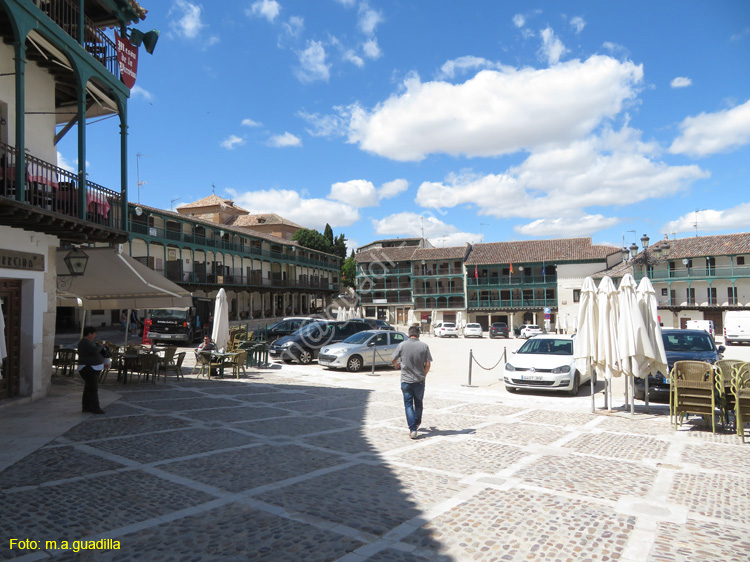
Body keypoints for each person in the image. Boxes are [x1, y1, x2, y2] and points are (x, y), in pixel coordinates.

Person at [392, 325, 432, 439]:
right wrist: (424, 375)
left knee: (408, 405)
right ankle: (417, 421)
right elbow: (428, 364)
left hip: (406, 380)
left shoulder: (402, 345)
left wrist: (397, 365)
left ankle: (413, 429)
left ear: (409, 334)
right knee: (418, 403)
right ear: (418, 334)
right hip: (419, 380)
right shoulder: (424, 346)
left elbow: (393, 359)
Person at [77, 326, 107, 414]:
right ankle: (95, 407)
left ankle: (86, 406)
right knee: (93, 388)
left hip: (93, 367)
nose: (95, 336)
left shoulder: (90, 342)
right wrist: (100, 346)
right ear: (89, 334)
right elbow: (94, 350)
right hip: (87, 367)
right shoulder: (84, 342)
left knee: (88, 388)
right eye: (94, 334)